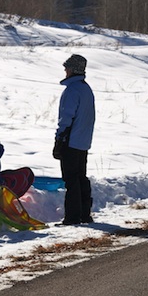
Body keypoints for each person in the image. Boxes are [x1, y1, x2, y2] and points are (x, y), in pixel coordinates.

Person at [53, 54, 95, 225]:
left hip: (71, 141)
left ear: (73, 70)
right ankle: (85, 214)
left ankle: (72, 217)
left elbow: (66, 118)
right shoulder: (86, 89)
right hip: (83, 141)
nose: (65, 70)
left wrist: (59, 139)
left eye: (67, 67)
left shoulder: (72, 90)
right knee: (81, 177)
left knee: (71, 179)